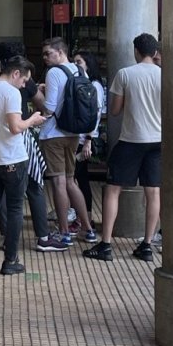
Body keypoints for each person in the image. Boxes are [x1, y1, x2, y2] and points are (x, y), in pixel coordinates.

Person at [84, 32, 162, 263]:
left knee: (112, 189)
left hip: (131, 140)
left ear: (136, 51)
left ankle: (106, 244)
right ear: (155, 52)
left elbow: (115, 110)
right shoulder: (164, 75)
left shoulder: (125, 74)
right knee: (153, 192)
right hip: (158, 140)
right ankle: (147, 244)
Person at [0, 54, 48, 276]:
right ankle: (10, 260)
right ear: (15, 73)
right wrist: (33, 120)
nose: (24, 85)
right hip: (12, 158)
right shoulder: (11, 92)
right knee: (15, 209)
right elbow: (16, 127)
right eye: (24, 80)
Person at [34, 38, 94, 250]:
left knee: (59, 183)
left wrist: (37, 94)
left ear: (60, 52)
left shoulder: (54, 73)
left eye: (48, 53)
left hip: (54, 134)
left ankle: (64, 232)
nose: (45, 58)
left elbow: (49, 108)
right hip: (74, 134)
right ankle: (88, 229)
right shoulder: (80, 71)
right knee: (71, 181)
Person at [72, 50, 106, 236]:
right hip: (78, 138)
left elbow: (96, 115)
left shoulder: (94, 86)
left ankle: (86, 218)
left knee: (81, 178)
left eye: (79, 62)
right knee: (77, 177)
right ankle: (81, 217)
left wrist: (88, 141)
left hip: (84, 139)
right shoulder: (81, 83)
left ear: (88, 64)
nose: (76, 65)